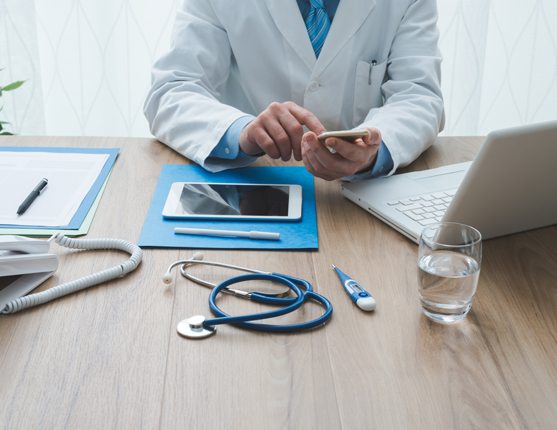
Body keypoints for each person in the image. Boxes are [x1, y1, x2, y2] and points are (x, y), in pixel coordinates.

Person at [144, 0, 444, 182]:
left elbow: (419, 95)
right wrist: (243, 131)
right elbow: (171, 90)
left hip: (361, 196)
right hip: (256, 185)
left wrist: (374, 151)